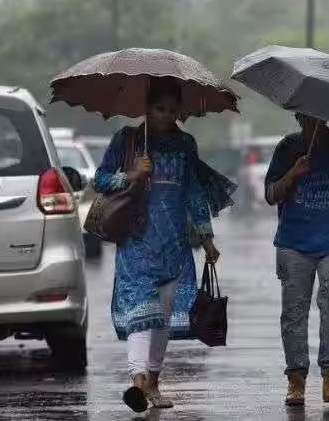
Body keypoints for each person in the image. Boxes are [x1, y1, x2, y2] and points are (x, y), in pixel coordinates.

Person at [94, 77, 236, 413]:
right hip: (138, 242)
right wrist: (130, 175)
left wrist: (207, 238)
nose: (166, 116)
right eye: (160, 109)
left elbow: (194, 193)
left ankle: (153, 382)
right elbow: (99, 179)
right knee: (142, 314)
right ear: (147, 108)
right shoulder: (127, 139)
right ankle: (138, 382)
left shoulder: (186, 144)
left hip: (175, 244)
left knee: (163, 320)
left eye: (172, 110)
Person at [264, 114, 329, 406]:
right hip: (293, 244)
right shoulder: (287, 148)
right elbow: (271, 194)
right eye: (303, 113)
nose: (309, 119)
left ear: (325, 114)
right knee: (294, 313)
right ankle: (296, 379)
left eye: (316, 114)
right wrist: (293, 174)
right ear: (297, 114)